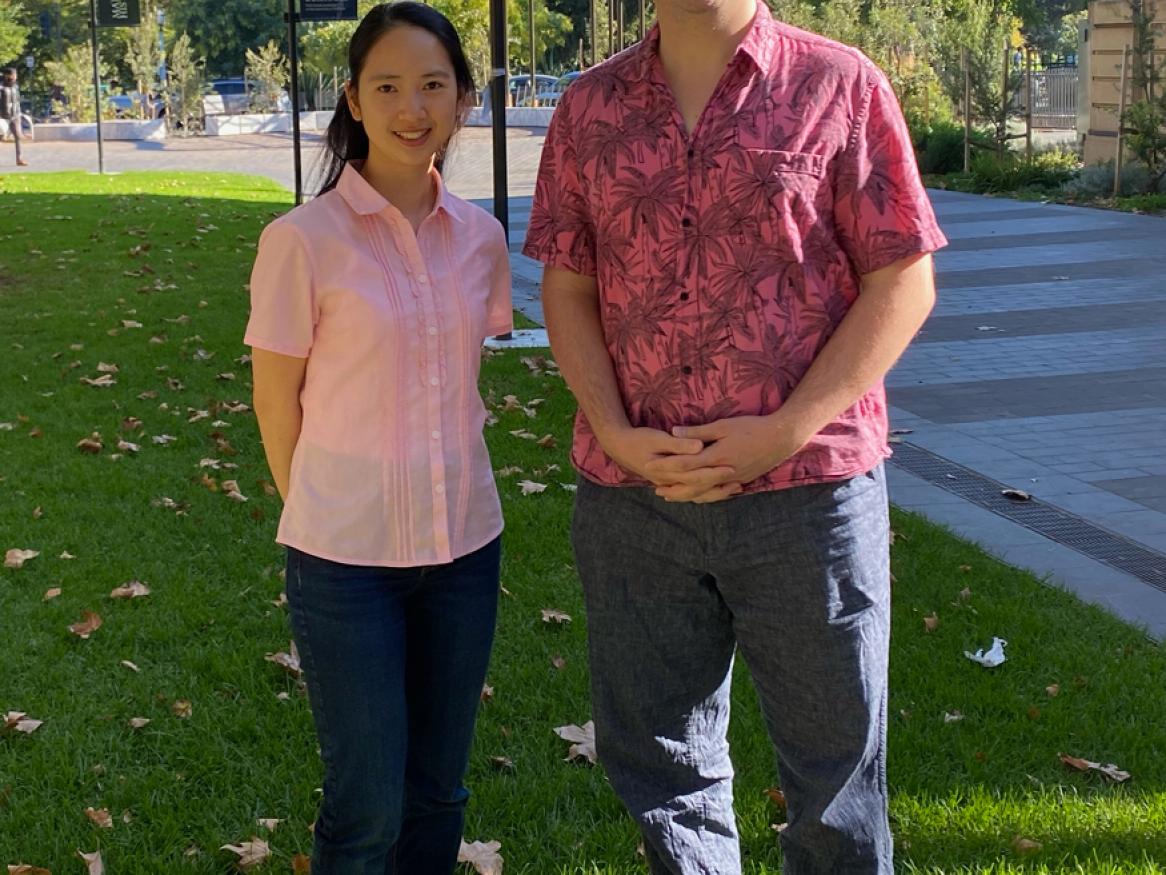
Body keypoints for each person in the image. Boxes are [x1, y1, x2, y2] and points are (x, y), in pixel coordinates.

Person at [522, 0, 947, 871]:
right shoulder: (588, 108)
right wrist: (611, 427)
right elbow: (567, 286)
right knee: (660, 768)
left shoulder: (840, 84)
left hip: (806, 497)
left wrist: (785, 430)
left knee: (835, 789)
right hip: (635, 497)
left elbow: (903, 280)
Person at [245, 3, 512, 871]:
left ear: (463, 99)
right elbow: (276, 404)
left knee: (440, 791)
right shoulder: (299, 241)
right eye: (387, 85)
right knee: (364, 807)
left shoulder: (482, 239)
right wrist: (324, 512)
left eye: (433, 84)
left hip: (465, 550)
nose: (412, 107)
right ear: (353, 101)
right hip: (344, 563)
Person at [1, 67, 29, 167]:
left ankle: (19, 159)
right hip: (2, 116)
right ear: (7, 75)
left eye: (15, 74)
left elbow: (17, 101)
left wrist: (19, 113)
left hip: (14, 115)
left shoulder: (15, 86)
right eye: (14, 74)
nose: (16, 76)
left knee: (18, 136)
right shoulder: (1, 87)